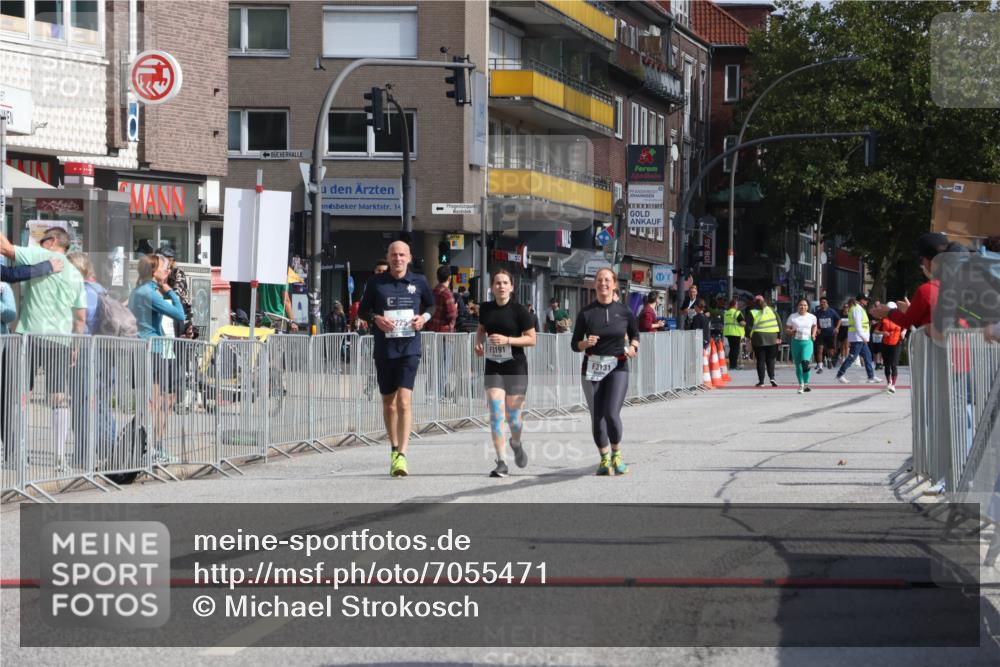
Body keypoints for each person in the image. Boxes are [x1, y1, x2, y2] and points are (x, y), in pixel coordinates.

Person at [0, 229, 87, 473]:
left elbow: (5, 248)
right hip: (59, 339)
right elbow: (80, 318)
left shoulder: (40, 254)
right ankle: (59, 457)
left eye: (41, 240)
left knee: (12, 394)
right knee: (58, 397)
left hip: (28, 336)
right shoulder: (75, 274)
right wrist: (75, 345)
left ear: (52, 242)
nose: (38, 244)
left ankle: (17, 454)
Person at [358, 240, 434, 477]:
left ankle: (402, 455)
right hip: (384, 349)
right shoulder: (376, 282)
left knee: (404, 402)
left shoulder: (419, 281)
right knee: (389, 403)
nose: (398, 258)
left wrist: (424, 318)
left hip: (410, 348)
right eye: (394, 255)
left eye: (402, 255)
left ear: (409, 258)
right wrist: (376, 319)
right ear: (388, 257)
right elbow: (363, 310)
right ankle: (393, 448)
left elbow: (431, 304)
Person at [571, 267, 639, 476]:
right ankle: (604, 459)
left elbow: (635, 335)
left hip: (617, 367)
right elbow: (574, 344)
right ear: (595, 284)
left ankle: (617, 455)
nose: (603, 284)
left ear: (615, 284)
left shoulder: (625, 311)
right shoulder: (586, 313)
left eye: (607, 280)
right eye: (599, 280)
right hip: (592, 368)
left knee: (611, 413)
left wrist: (634, 347)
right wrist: (585, 343)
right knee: (597, 417)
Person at [474, 270, 536, 477]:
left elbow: (531, 339)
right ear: (492, 287)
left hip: (515, 366)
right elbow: (482, 329)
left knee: (514, 417)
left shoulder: (519, 311)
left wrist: (508, 340)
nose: (501, 286)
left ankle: (516, 442)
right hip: (494, 366)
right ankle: (501, 461)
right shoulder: (486, 308)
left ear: (511, 287)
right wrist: (478, 343)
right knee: (495, 412)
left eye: (505, 283)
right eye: (497, 283)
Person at [129, 254, 186, 462]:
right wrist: (171, 292)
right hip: (152, 349)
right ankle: (151, 446)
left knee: (160, 400)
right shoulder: (149, 293)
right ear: (153, 272)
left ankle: (154, 444)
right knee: (154, 401)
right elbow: (179, 314)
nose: (168, 271)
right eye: (164, 268)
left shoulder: (139, 290)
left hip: (152, 348)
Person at [836, 294, 879, 384]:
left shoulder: (859, 308)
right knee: (852, 357)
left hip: (859, 337)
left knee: (868, 356)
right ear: (861, 300)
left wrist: (869, 323)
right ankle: (840, 374)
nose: (867, 301)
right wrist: (864, 337)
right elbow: (858, 325)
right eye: (866, 299)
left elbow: (862, 323)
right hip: (857, 337)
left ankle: (871, 377)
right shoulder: (856, 309)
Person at [154, 247, 194, 339]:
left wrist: (165, 290)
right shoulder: (156, 272)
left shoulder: (178, 273)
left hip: (179, 310)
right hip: (161, 308)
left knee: (178, 341)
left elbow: (178, 292)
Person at [786, 298, 818, 394]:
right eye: (801, 305)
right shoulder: (793, 317)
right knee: (798, 365)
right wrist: (791, 331)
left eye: (805, 305)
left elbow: (815, 326)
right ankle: (801, 385)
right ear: (797, 306)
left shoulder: (812, 317)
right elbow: (787, 329)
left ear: (808, 307)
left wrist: (813, 334)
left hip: (807, 342)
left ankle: (806, 382)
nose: (802, 307)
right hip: (796, 342)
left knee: (805, 362)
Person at [748, 294, 780, 388]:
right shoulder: (772, 310)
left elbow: (748, 327)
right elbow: (779, 323)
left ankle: (761, 381)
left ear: (755, 302)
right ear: (764, 301)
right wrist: (779, 336)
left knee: (760, 360)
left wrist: (749, 337)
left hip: (758, 339)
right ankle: (772, 377)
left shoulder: (752, 312)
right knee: (771, 359)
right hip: (772, 337)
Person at [876, 302, 905, 393]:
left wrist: (904, 332)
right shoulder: (883, 320)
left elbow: (907, 324)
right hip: (885, 344)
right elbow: (875, 331)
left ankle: (893, 385)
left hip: (896, 344)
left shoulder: (900, 319)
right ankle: (889, 382)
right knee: (887, 365)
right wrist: (882, 333)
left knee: (894, 365)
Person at [813, 297, 840, 372]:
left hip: (830, 334)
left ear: (827, 304)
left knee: (831, 351)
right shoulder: (817, 313)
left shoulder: (831, 311)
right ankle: (820, 367)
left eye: (824, 302)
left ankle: (829, 359)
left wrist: (837, 328)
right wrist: (817, 328)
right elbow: (813, 323)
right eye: (821, 302)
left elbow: (839, 320)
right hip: (821, 334)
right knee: (820, 349)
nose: (823, 304)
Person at [722, 298, 746, 370]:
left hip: (728, 333)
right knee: (735, 350)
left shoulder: (726, 312)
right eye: (737, 304)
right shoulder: (737, 313)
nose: (737, 306)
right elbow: (742, 323)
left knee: (732, 349)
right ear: (735, 305)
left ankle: (731, 365)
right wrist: (745, 323)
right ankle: (734, 366)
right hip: (736, 333)